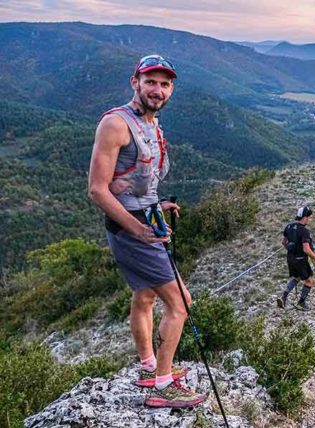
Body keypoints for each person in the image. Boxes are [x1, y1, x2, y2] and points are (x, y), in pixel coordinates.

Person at [88, 54, 205, 408]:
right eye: (150, 82)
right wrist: (139, 228)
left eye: (165, 84)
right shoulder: (116, 124)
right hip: (133, 231)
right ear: (134, 82)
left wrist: (157, 206)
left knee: (146, 296)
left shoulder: (151, 126)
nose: (157, 90)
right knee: (181, 303)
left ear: (171, 89)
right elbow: (97, 189)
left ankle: (149, 366)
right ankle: (164, 386)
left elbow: (135, 183)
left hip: (143, 220)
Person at [277, 206, 315, 311]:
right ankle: (301, 303)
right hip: (301, 260)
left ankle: (283, 296)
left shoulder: (288, 227)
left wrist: (291, 251)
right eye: (309, 217)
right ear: (305, 217)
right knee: (310, 280)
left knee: (297, 277)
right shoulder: (304, 231)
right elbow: (306, 249)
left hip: (290, 258)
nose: (310, 219)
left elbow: (284, 242)